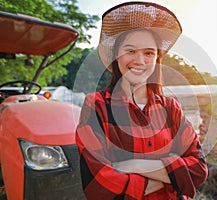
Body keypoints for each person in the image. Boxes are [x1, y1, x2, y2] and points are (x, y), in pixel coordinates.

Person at [75, 1, 208, 200]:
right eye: (130, 51)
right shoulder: (97, 106)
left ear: (156, 60)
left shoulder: (170, 108)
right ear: (116, 56)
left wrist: (135, 166)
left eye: (149, 53)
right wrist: (171, 177)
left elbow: (198, 168)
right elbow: (98, 181)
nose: (140, 61)